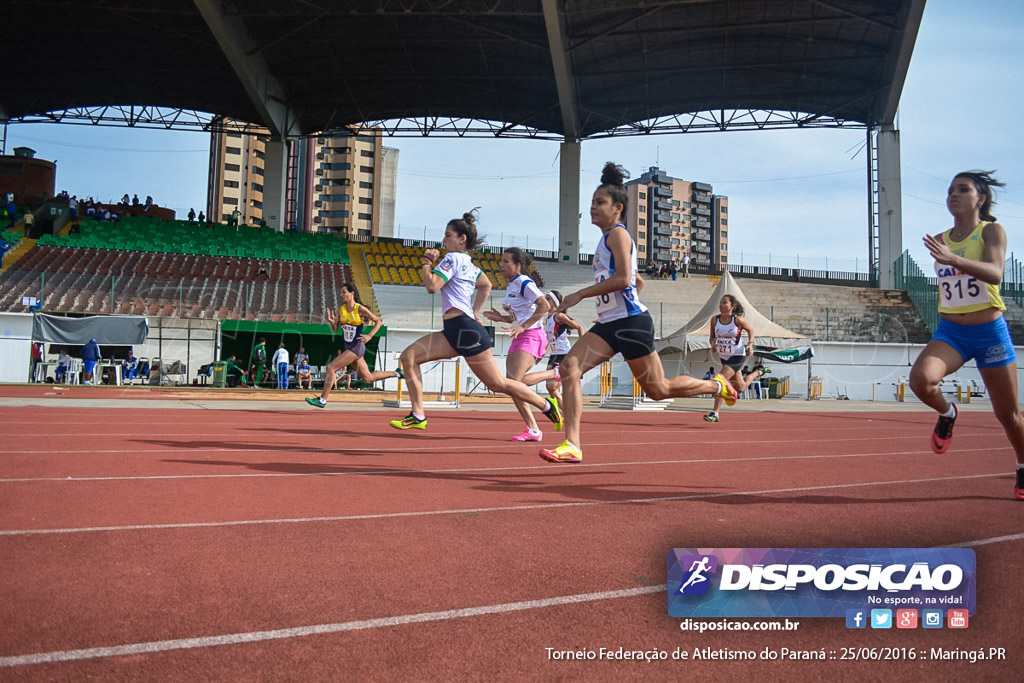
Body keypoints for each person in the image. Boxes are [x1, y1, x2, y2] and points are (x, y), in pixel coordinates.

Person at [538, 162, 736, 463]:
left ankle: (716, 385)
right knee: (569, 370)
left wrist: (580, 294)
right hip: (611, 324)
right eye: (591, 202)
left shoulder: (618, 235)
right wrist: (613, 305)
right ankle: (573, 445)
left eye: (599, 203)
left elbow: (622, 280)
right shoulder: (606, 240)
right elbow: (635, 281)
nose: (592, 207)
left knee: (658, 390)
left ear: (617, 208)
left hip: (631, 324)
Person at [389, 210, 563, 431]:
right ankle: (417, 414)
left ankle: (546, 405)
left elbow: (432, 286)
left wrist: (426, 263)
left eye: (448, 235)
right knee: (409, 357)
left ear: (462, 239)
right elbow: (485, 285)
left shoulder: (452, 259)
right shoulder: (470, 264)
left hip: (464, 329)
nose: (444, 240)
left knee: (498, 383)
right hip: (456, 329)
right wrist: (475, 311)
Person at [908, 170, 1024, 500]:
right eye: (949, 190)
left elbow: (995, 273)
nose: (953, 195)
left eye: (962, 189)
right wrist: (949, 258)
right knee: (921, 380)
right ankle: (948, 414)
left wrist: (953, 259)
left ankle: (1023, 464)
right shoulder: (942, 239)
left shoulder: (991, 231)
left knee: (1009, 415)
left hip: (989, 331)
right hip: (953, 331)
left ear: (981, 198)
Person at [481, 248, 553, 441]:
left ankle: (551, 383)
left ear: (517, 266)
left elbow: (544, 306)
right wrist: (501, 318)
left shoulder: (524, 283)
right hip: (520, 335)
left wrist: (524, 327)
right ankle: (533, 429)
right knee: (511, 384)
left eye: (506, 262)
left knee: (513, 383)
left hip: (531, 335)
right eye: (501, 261)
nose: (501, 265)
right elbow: (519, 315)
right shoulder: (511, 285)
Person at [305, 283, 399, 408]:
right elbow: (334, 329)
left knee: (331, 368)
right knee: (368, 378)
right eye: (341, 292)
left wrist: (369, 336)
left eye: (344, 292)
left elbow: (378, 322)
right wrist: (331, 321)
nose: (341, 295)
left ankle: (322, 400)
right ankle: (397, 373)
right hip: (349, 347)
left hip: (357, 347)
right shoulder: (341, 309)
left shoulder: (359, 309)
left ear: (352, 293)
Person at [702, 294, 769, 423]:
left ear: (732, 306)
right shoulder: (714, 320)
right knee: (741, 388)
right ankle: (759, 372)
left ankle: (715, 413)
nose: (721, 305)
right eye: (721, 302)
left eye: (724, 302)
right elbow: (711, 336)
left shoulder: (738, 320)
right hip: (724, 356)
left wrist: (750, 344)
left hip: (738, 355)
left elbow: (751, 330)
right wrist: (713, 344)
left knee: (720, 380)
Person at [521, 290, 585, 406]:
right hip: (553, 355)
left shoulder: (558, 316)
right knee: (550, 388)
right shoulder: (548, 319)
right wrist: (542, 353)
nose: (546, 300)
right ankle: (563, 413)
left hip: (564, 354)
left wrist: (582, 348)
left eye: (548, 299)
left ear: (555, 302)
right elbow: (551, 340)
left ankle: (564, 411)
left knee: (552, 386)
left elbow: (579, 327)